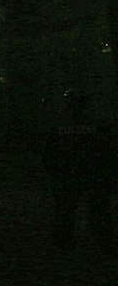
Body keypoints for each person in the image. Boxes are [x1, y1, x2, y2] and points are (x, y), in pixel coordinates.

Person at [43, 90, 115, 253]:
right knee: (98, 210)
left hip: (68, 174)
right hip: (92, 174)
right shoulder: (98, 124)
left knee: (66, 210)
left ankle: (65, 243)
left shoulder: (59, 125)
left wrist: (53, 171)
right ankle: (103, 243)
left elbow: (49, 151)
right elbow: (108, 150)